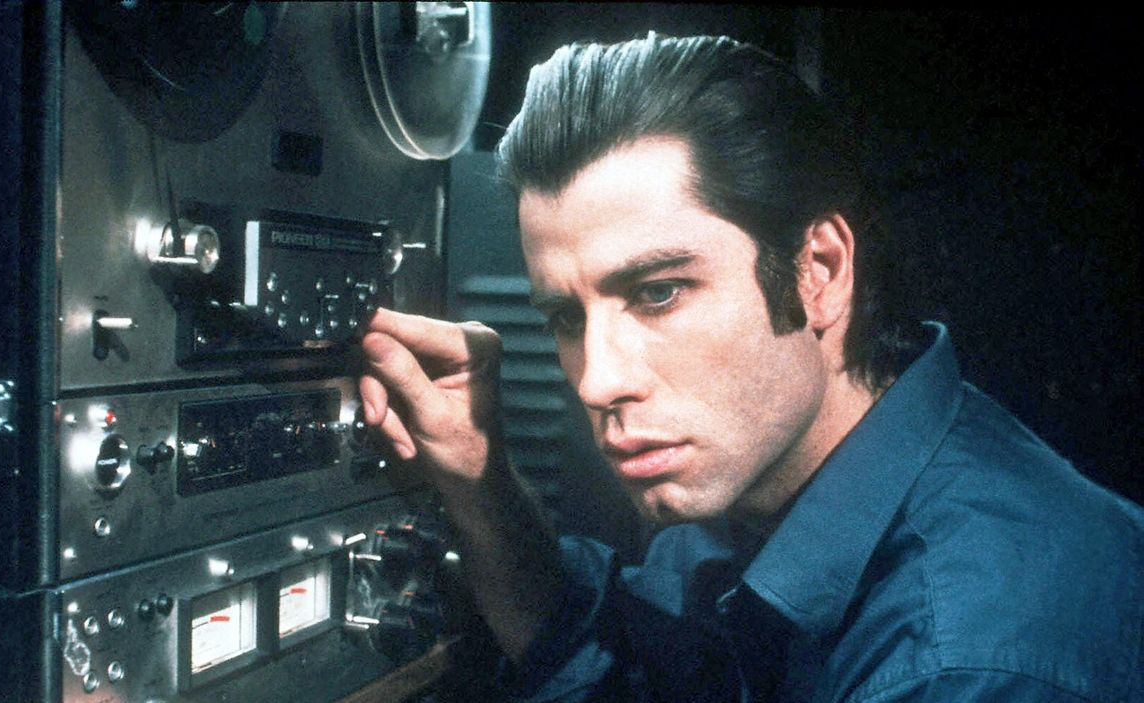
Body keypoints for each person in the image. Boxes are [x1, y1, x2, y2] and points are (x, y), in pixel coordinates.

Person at [358, 34, 1143, 701]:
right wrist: (479, 478)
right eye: (567, 317)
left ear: (819, 272)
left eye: (658, 292)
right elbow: (614, 666)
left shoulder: (959, 659)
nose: (597, 381)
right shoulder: (762, 478)